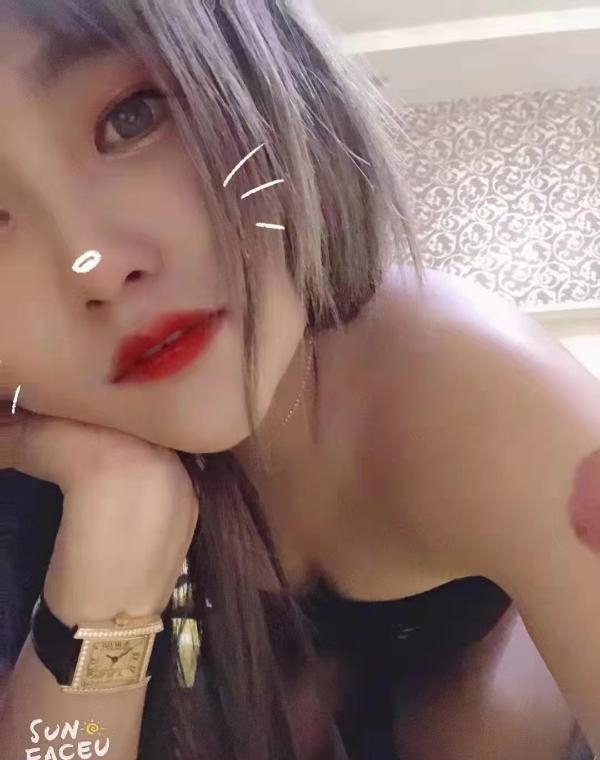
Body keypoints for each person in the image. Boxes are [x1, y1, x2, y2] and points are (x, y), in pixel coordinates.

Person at [0, 1, 598, 759]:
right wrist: (111, 535)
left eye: (133, 117)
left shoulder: (486, 395)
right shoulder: (24, 503)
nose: (96, 266)